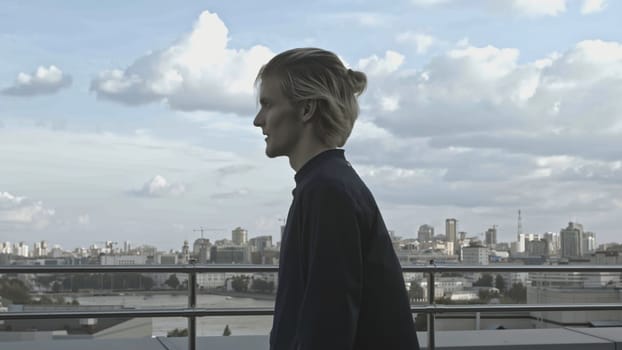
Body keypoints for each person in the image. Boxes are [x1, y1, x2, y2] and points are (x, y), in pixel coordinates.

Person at [253, 48, 420, 350]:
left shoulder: (326, 191)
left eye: (267, 104)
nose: (257, 120)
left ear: (306, 110)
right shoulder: (329, 184)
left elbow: (328, 323)